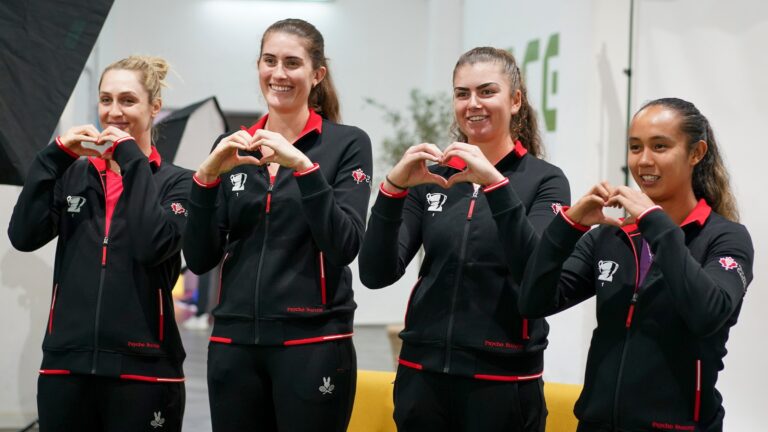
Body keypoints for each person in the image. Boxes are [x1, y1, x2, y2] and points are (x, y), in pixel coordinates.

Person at [359, 47, 570, 431]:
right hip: (421, 377)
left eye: (487, 91)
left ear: (516, 100)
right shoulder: (433, 179)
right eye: (462, 93)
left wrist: (494, 183)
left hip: (503, 381)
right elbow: (376, 273)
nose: (473, 104)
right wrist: (392, 190)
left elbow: (536, 271)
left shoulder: (545, 181)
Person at [183, 18, 372, 432]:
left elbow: (344, 246)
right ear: (258, 66)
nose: (279, 73)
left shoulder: (347, 144)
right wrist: (205, 180)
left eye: (292, 62)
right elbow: (199, 259)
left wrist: (302, 167)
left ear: (317, 74)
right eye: (270, 61)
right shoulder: (233, 147)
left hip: (314, 342)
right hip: (233, 343)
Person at [518, 98, 753, 431]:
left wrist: (654, 222)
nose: (643, 161)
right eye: (634, 147)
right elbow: (533, 302)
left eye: (660, 146)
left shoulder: (726, 238)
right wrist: (569, 226)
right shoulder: (609, 237)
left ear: (696, 153)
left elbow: (707, 314)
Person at [8, 55, 191, 431]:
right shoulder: (74, 175)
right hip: (66, 365)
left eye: (128, 100)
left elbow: (152, 245)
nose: (114, 112)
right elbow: (23, 236)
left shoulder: (178, 184)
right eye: (106, 100)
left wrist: (133, 162)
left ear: (154, 108)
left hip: (146, 367)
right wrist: (53, 157)